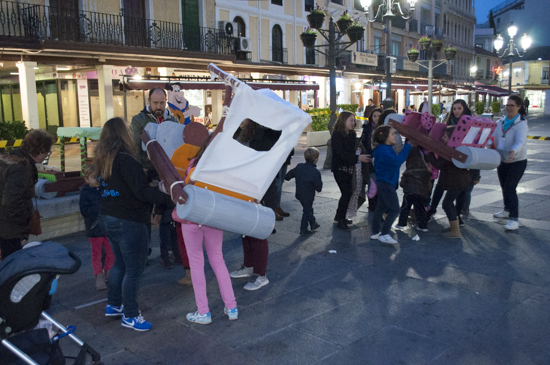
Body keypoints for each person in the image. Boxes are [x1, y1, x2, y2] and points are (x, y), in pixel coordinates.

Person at [96, 117, 173, 332]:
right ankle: (130, 315)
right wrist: (169, 197)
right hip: (129, 221)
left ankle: (114, 304)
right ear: (124, 134)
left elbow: (125, 183)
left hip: (107, 218)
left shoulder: (104, 159)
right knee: (134, 270)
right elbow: (141, 192)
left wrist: (145, 175)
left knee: (119, 264)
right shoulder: (126, 159)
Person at [175, 142, 238, 324]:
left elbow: (184, 188)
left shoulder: (193, 163)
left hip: (192, 216)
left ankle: (203, 312)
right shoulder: (221, 168)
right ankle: (232, 307)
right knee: (218, 261)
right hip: (213, 217)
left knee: (196, 264)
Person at [0, 130, 53, 260]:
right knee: (11, 262)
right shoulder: (21, 168)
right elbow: (12, 200)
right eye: (48, 152)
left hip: (5, 223)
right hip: (8, 226)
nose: (47, 155)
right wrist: (25, 219)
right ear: (40, 151)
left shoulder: (11, 159)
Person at [425, 126, 471, 238]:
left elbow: (438, 165)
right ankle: (454, 227)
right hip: (461, 180)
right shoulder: (457, 148)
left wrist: (430, 153)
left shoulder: (449, 150)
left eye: (445, 136)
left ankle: (456, 231)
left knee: (447, 204)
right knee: (448, 203)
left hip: (456, 181)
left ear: (451, 138)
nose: (442, 137)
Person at [491, 95, 529, 231]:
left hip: (517, 161)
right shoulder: (500, 122)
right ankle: (506, 209)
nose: (508, 108)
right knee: (504, 186)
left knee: (510, 188)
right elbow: (495, 138)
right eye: (507, 105)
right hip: (502, 160)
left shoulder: (521, 124)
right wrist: (491, 144)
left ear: (519, 107)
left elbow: (520, 141)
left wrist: (514, 151)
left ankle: (514, 218)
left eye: (512, 105)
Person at [370, 125, 412, 244]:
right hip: (386, 183)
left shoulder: (384, 148)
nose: (395, 136)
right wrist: (407, 147)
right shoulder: (384, 150)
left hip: (385, 182)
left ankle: (375, 232)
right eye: (393, 134)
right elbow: (396, 162)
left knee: (380, 208)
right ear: (385, 137)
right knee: (394, 209)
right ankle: (384, 233)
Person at [331, 111, 371, 231]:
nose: (353, 123)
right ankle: (341, 220)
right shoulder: (337, 135)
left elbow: (350, 150)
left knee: (348, 192)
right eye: (351, 120)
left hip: (349, 168)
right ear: (343, 121)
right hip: (339, 168)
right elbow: (340, 153)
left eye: (354, 120)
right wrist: (357, 157)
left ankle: (339, 216)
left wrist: (357, 150)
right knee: (346, 192)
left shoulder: (352, 134)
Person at [80, 164, 114, 290]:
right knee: (97, 254)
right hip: (94, 228)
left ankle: (109, 272)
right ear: (87, 179)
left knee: (111, 252)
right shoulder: (85, 192)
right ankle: (99, 276)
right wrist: (100, 210)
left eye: (99, 177)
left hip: (106, 226)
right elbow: (84, 210)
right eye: (94, 177)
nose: (97, 180)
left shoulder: (105, 189)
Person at [285, 147, 322, 235]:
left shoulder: (299, 166)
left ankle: (313, 223)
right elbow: (319, 187)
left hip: (299, 194)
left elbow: (288, 175)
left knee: (308, 209)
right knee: (307, 211)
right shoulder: (315, 172)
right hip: (308, 196)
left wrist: (285, 177)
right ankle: (303, 229)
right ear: (316, 159)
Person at [395, 146, 432, 232]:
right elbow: (429, 184)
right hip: (421, 193)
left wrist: (403, 185)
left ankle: (401, 223)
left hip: (409, 193)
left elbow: (402, 183)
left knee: (405, 208)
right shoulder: (426, 171)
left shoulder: (408, 171)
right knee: (420, 209)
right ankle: (423, 226)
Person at [360, 107, 383, 212]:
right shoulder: (367, 128)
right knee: (372, 183)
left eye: (379, 116)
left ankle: (380, 204)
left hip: (381, 159)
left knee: (381, 182)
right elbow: (363, 142)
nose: (376, 118)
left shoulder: (384, 129)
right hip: (370, 159)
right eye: (374, 116)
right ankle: (372, 205)